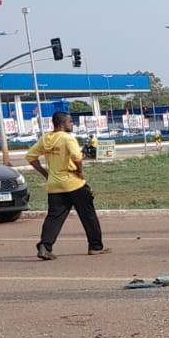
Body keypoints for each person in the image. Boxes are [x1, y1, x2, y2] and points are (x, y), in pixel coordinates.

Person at [27, 111, 107, 259]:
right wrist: (80, 172)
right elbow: (77, 157)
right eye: (70, 122)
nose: (72, 124)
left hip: (55, 185)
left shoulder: (46, 139)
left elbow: (31, 157)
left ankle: (45, 246)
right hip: (73, 182)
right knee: (88, 214)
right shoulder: (68, 138)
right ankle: (95, 246)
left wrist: (46, 174)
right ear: (62, 124)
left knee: (54, 217)